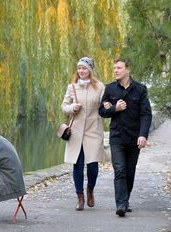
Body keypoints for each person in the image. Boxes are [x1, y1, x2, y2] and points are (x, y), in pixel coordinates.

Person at [99, 58, 152, 217]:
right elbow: (102, 112)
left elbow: (146, 114)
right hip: (117, 137)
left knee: (129, 171)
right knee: (120, 170)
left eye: (119, 68)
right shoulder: (109, 90)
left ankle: (125, 199)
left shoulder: (140, 90)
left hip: (134, 138)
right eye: (114, 68)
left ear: (127, 70)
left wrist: (143, 135)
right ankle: (121, 204)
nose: (115, 70)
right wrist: (115, 108)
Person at [61, 57, 105, 211]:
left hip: (93, 129)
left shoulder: (99, 87)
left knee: (93, 164)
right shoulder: (72, 87)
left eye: (84, 68)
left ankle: (90, 189)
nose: (81, 71)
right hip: (76, 131)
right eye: (79, 68)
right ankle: (80, 197)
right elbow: (64, 106)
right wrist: (72, 107)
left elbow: (104, 106)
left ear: (90, 70)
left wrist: (109, 106)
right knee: (77, 165)